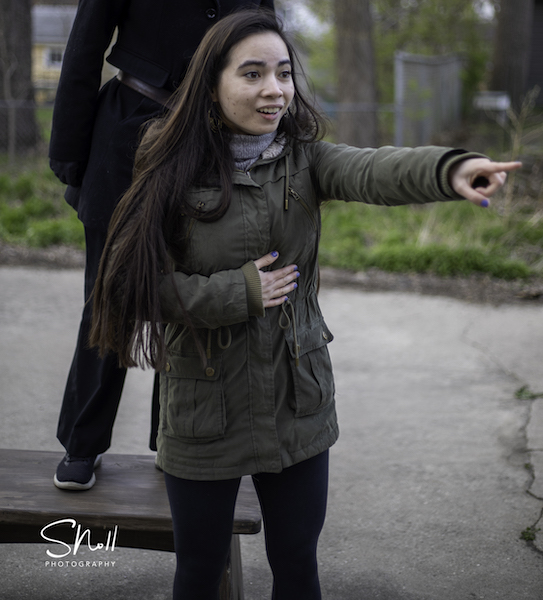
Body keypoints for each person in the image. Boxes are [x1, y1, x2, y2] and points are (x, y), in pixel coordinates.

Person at [89, 9, 521, 598]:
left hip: (298, 398)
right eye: (253, 74)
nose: (275, 89)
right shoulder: (166, 165)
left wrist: (450, 169)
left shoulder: (305, 159)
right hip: (202, 409)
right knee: (197, 569)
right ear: (211, 84)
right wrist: (239, 292)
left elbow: (373, 170)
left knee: (297, 565)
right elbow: (125, 288)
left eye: (284, 73)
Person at [49, 0, 275, 490]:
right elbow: (84, 48)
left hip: (211, 141)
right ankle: (82, 443)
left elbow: (265, 46)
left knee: (191, 295)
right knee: (108, 297)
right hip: (126, 134)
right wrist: (69, 151)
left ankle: (174, 440)